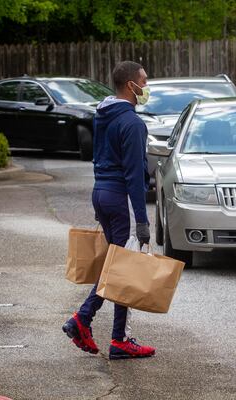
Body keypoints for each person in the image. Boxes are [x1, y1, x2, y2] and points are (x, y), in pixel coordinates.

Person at [62, 61, 155, 360]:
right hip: (121, 197)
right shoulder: (133, 124)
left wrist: (102, 201)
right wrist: (142, 221)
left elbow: (98, 156)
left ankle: (118, 338)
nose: (146, 86)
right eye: (144, 80)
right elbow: (134, 175)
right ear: (132, 85)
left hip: (101, 192)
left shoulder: (102, 115)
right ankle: (85, 319)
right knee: (122, 267)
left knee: (118, 265)